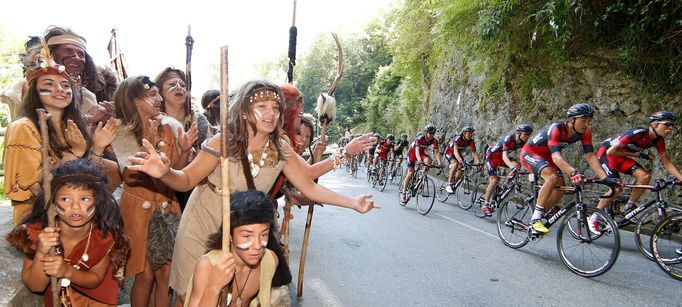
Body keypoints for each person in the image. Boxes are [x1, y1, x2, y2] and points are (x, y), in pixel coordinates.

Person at [127, 79, 379, 305]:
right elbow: (186, 180)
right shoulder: (223, 140)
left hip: (247, 233)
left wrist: (352, 202)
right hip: (203, 223)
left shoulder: (281, 148)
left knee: (237, 295)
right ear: (246, 110)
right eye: (262, 107)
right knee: (192, 292)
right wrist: (165, 173)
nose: (271, 113)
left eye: (276, 107)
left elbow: (309, 186)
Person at [3, 51, 117, 224]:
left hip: (76, 208)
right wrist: (75, 153)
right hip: (41, 214)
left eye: (65, 85)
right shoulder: (23, 127)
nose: (60, 89)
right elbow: (38, 187)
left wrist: (98, 147)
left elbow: (86, 176)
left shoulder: (70, 125)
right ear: (35, 92)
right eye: (49, 84)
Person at [111, 75, 195, 307]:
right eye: (152, 95)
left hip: (168, 207)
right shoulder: (121, 131)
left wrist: (185, 150)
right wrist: (148, 140)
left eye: (159, 93)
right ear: (135, 100)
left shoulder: (167, 128)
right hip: (139, 210)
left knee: (166, 274)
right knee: (144, 273)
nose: (159, 99)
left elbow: (176, 171)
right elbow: (129, 174)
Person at [6, 159, 129, 307]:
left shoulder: (104, 237)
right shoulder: (39, 234)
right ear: (52, 204)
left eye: (84, 199)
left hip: (95, 301)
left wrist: (67, 271)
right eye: (65, 199)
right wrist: (41, 252)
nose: (75, 207)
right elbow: (36, 286)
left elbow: (95, 278)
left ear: (98, 203)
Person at [520, 103, 615, 234]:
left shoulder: (585, 132)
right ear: (571, 119)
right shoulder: (556, 128)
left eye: (589, 120)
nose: (587, 124)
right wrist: (573, 172)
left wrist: (605, 178)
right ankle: (535, 220)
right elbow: (556, 157)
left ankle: (540, 215)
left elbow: (590, 155)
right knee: (552, 177)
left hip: (548, 156)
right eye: (583, 120)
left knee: (561, 188)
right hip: (530, 153)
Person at [185, 190, 278, 307]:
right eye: (247, 236)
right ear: (229, 235)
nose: (257, 245)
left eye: (264, 234)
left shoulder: (269, 261)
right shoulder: (208, 267)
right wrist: (213, 287)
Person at [594, 111, 682, 233]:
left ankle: (629, 207)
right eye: (667, 124)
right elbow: (610, 152)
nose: (671, 128)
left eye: (672, 125)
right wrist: (637, 154)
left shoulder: (658, 140)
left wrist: (680, 177)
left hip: (619, 157)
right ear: (655, 124)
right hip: (606, 154)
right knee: (616, 188)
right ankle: (594, 217)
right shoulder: (637, 133)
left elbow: (666, 162)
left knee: (645, 176)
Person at [480, 124, 533, 215]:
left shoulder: (522, 142)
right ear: (519, 133)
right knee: (494, 180)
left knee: (517, 165)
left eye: (529, 134)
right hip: (492, 157)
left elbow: (526, 156)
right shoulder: (509, 139)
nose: (528, 137)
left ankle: (505, 185)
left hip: (500, 158)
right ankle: (486, 204)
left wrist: (532, 169)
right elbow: (505, 157)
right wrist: (513, 168)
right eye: (526, 134)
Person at [401, 124, 442, 203]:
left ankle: (422, 177)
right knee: (410, 173)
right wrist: (419, 160)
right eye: (430, 133)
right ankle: (404, 192)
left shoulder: (434, 140)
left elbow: (437, 153)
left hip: (422, 153)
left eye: (433, 133)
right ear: (426, 132)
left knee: (429, 161)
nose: (432, 135)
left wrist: (439, 163)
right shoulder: (419, 138)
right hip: (413, 154)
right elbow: (416, 151)